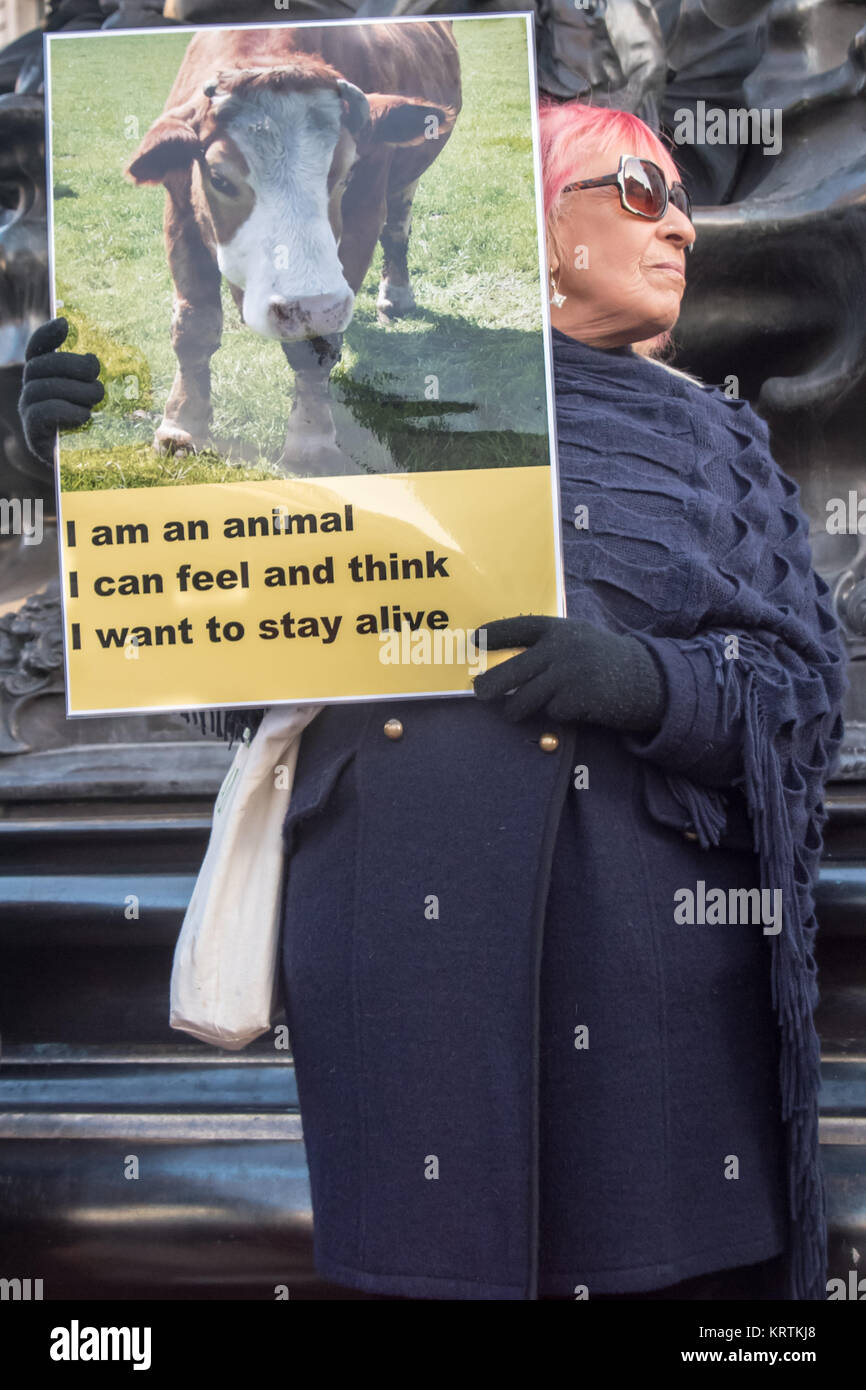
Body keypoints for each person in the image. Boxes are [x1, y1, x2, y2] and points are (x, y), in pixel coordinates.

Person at [19, 98, 847, 1302]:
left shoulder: (711, 441)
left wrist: (648, 683)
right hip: (396, 963)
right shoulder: (338, 389)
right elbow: (204, 658)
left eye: (681, 200)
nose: (677, 227)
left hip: (642, 978)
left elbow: (804, 699)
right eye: (635, 190)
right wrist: (64, 455)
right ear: (533, 221)